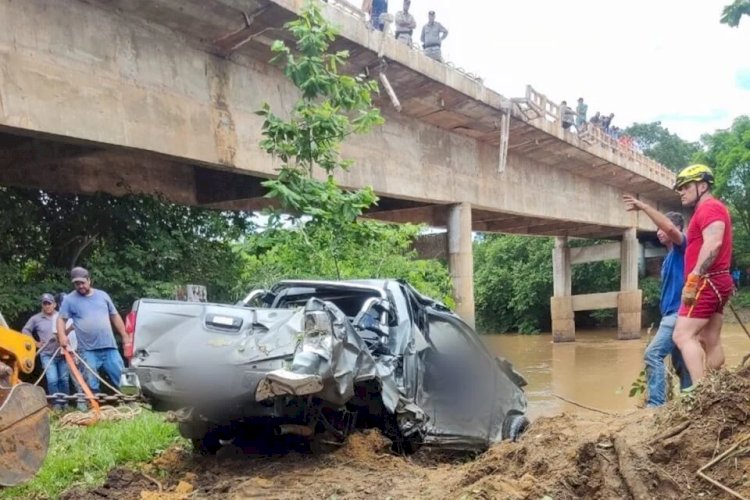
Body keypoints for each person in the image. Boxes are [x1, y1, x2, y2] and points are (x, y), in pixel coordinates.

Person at [622, 198, 692, 406]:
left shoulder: (682, 247)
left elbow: (670, 229)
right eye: (657, 228)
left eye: (660, 227)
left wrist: (644, 206)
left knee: (652, 355)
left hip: (676, 315)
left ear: (677, 229)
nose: (659, 232)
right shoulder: (670, 256)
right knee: (681, 364)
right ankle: (690, 401)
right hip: (673, 314)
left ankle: (656, 405)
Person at [671, 164, 734, 385]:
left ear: (703, 186)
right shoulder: (711, 209)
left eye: (686, 186)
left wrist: (695, 276)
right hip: (718, 280)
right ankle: (717, 386)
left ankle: (701, 393)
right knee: (709, 338)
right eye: (680, 188)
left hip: (707, 280)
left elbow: (714, 243)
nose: (681, 191)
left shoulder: (709, 208)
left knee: (682, 335)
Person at [56, 267, 131, 400]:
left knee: (121, 376)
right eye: (76, 284)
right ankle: (94, 409)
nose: (80, 286)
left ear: (89, 280)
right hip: (88, 350)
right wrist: (62, 336)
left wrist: (125, 336)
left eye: (82, 282)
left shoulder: (103, 295)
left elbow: (115, 316)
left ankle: (131, 402)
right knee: (90, 382)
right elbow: (61, 319)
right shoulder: (70, 300)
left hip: (109, 347)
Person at [22, 293, 69, 410]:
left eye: (49, 303)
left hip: (62, 352)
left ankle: (66, 403)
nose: (47, 306)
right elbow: (25, 330)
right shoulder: (36, 318)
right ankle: (57, 403)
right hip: (46, 353)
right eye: (45, 303)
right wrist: (35, 343)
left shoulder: (61, 316)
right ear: (42, 305)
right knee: (52, 379)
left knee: (64, 379)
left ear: (54, 304)